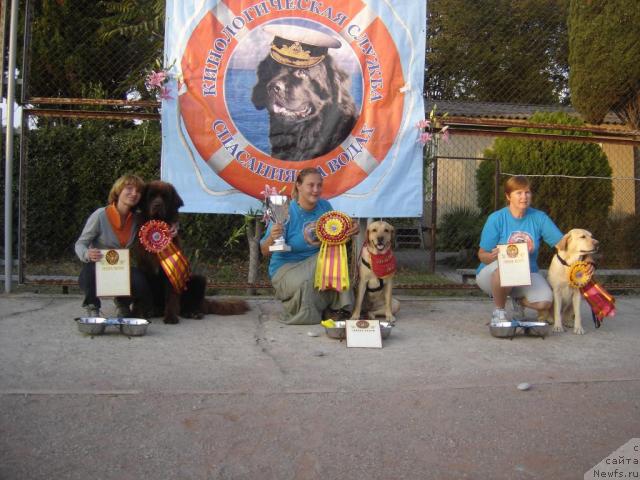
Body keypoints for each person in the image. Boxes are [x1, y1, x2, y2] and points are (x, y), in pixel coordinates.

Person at [261, 168, 358, 324]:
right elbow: (264, 251)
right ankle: (323, 307)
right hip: (285, 270)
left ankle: (338, 309)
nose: (316, 190)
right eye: (310, 185)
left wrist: (350, 229)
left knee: (334, 257)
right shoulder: (282, 209)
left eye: (319, 185)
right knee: (322, 263)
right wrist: (272, 238)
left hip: (314, 267)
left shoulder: (325, 206)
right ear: (298, 185)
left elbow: (336, 238)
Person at [476, 175, 564, 325]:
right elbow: (481, 255)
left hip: (527, 273)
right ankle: (499, 311)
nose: (524, 197)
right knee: (508, 266)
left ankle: (519, 300)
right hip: (492, 275)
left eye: (527, 192)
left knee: (545, 303)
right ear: (508, 196)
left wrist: (583, 247)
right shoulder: (496, 218)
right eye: (519, 193)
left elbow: (562, 244)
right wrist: (496, 256)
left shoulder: (539, 217)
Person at [75, 174, 152, 318]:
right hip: (99, 266)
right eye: (129, 188)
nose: (134, 193)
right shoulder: (100, 215)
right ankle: (92, 306)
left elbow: (158, 224)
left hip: (121, 268)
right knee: (88, 272)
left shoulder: (137, 219)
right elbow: (80, 244)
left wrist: (173, 226)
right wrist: (87, 254)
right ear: (118, 191)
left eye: (138, 191)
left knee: (141, 281)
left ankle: (123, 304)